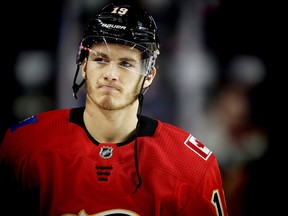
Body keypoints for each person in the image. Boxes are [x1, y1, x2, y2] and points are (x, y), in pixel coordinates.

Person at [0, 2, 228, 215]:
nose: (111, 74)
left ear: (149, 76)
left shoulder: (191, 166)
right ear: (84, 65)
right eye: (101, 59)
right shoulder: (26, 143)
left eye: (126, 63)